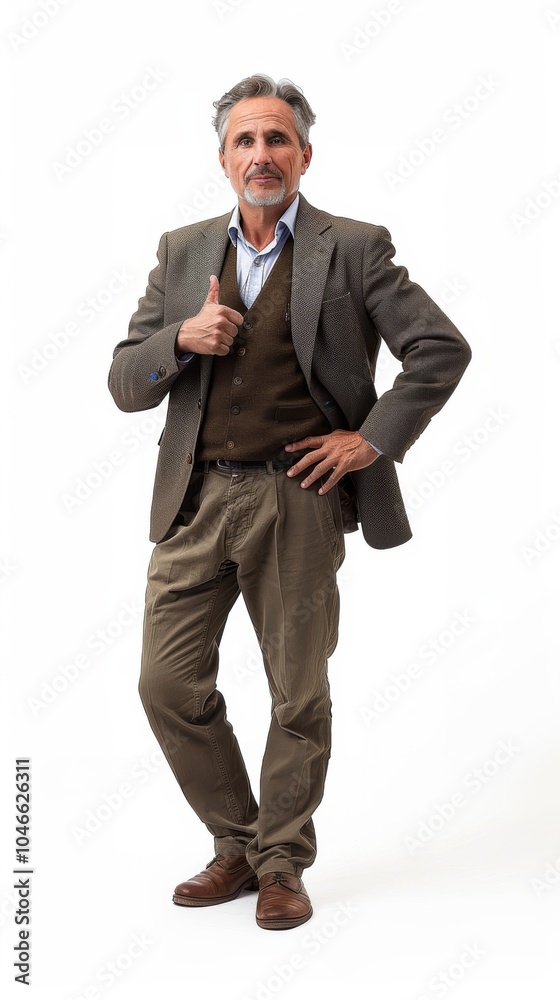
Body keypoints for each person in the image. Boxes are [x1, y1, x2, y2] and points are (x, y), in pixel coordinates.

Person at [107, 73, 471, 931]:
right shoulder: (182, 251)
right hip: (195, 500)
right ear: (223, 158)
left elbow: (439, 349)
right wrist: (179, 339)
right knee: (166, 684)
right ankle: (238, 843)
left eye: (277, 138)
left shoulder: (354, 248)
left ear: (305, 154)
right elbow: (126, 383)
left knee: (297, 693)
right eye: (246, 140)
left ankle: (281, 864)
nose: (261, 154)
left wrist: (369, 440)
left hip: (297, 499)